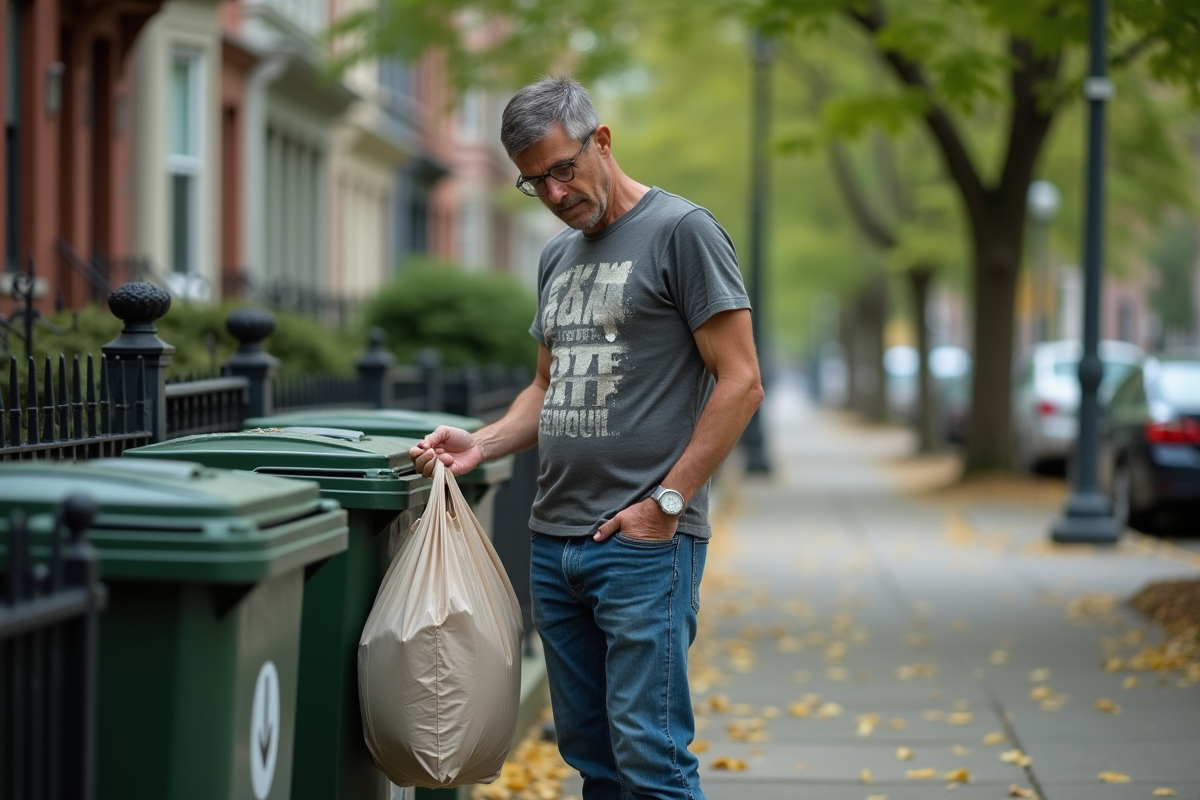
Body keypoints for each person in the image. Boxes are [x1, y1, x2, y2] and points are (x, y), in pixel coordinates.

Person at [409, 74, 763, 800]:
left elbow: (741, 381)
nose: (553, 193)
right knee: (592, 760)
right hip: (554, 545)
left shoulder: (682, 232)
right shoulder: (556, 257)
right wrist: (482, 443)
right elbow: (546, 386)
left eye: (562, 169)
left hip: (642, 546)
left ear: (601, 140)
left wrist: (667, 504)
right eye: (533, 181)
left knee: (652, 759)